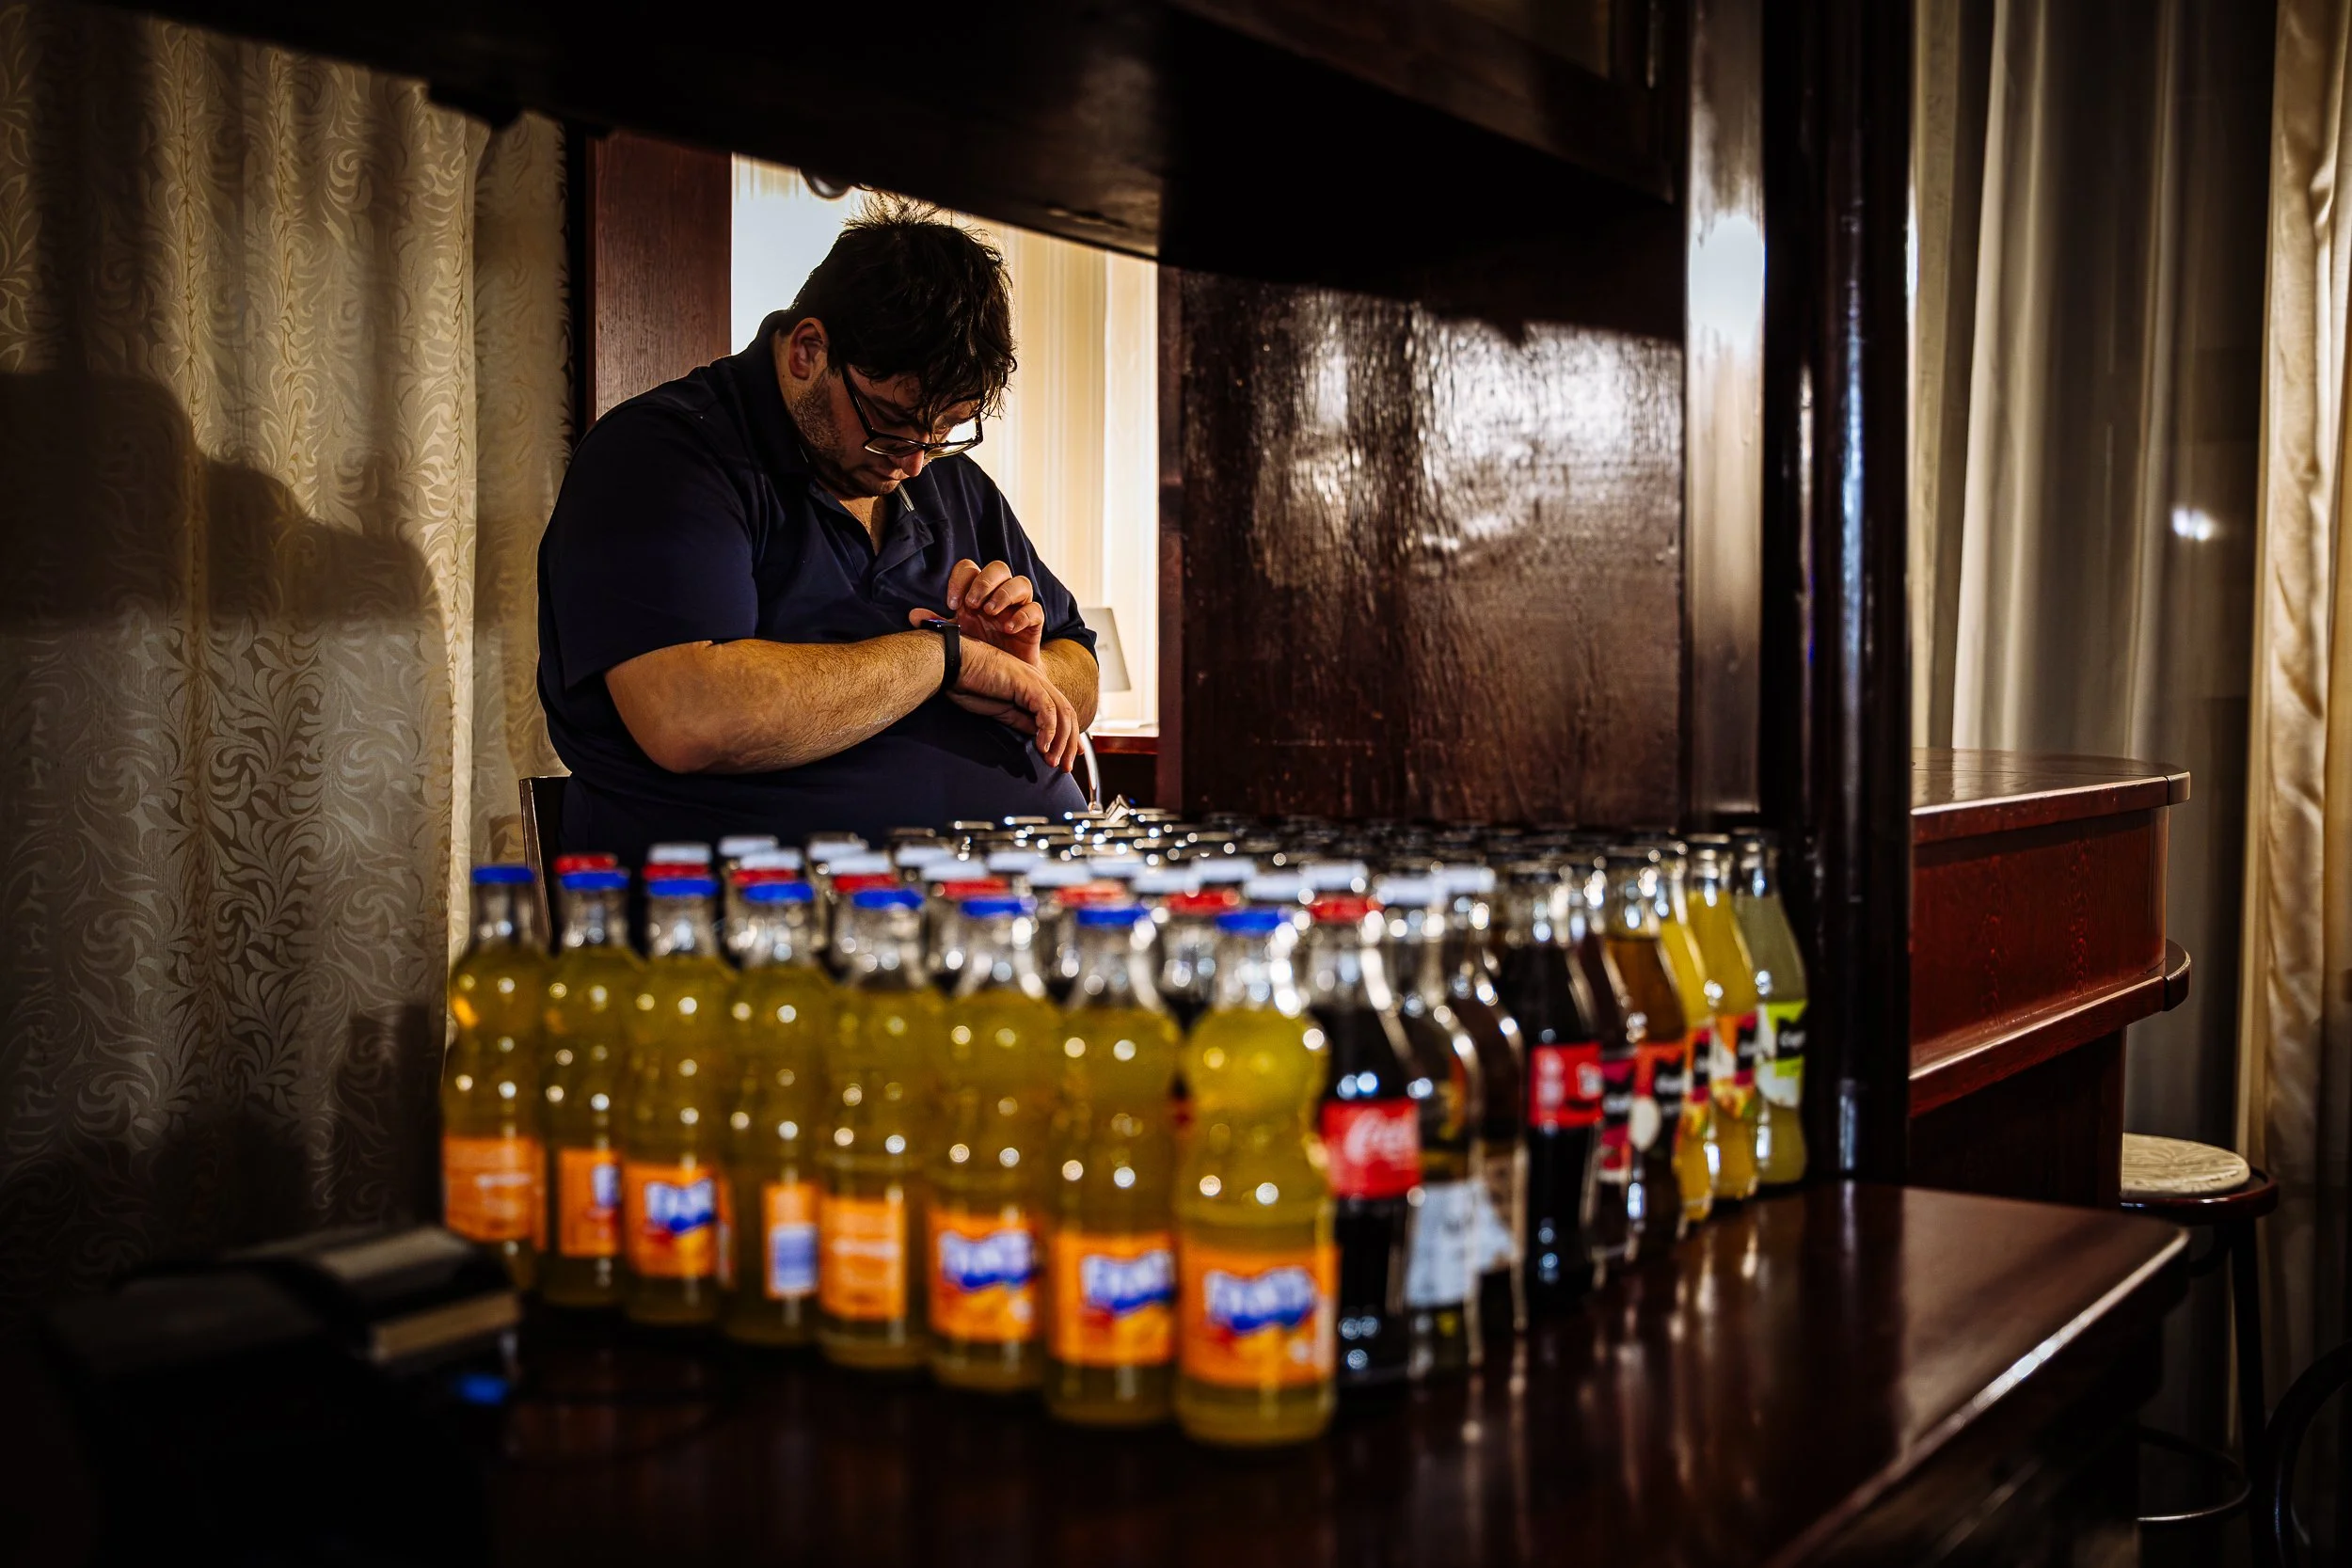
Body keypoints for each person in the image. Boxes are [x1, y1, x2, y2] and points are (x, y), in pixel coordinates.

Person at [535, 200, 1099, 863]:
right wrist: (942, 658)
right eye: (891, 421)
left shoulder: (942, 480)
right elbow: (690, 717)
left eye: (943, 431)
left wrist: (1016, 670)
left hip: (999, 901)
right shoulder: (664, 457)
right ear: (808, 351)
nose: (915, 461)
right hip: (753, 921)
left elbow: (1080, 668)